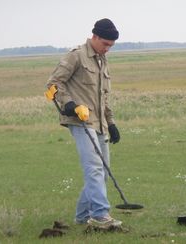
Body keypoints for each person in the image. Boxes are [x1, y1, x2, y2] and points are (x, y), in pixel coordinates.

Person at [46, 18, 121, 228]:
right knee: (95, 169)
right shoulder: (76, 56)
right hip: (79, 120)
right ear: (94, 36)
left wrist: (111, 123)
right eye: (105, 44)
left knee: (103, 171)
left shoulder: (102, 60)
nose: (107, 49)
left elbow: (103, 96)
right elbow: (53, 82)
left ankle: (81, 217)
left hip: (100, 123)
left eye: (111, 46)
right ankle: (100, 216)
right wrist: (69, 104)